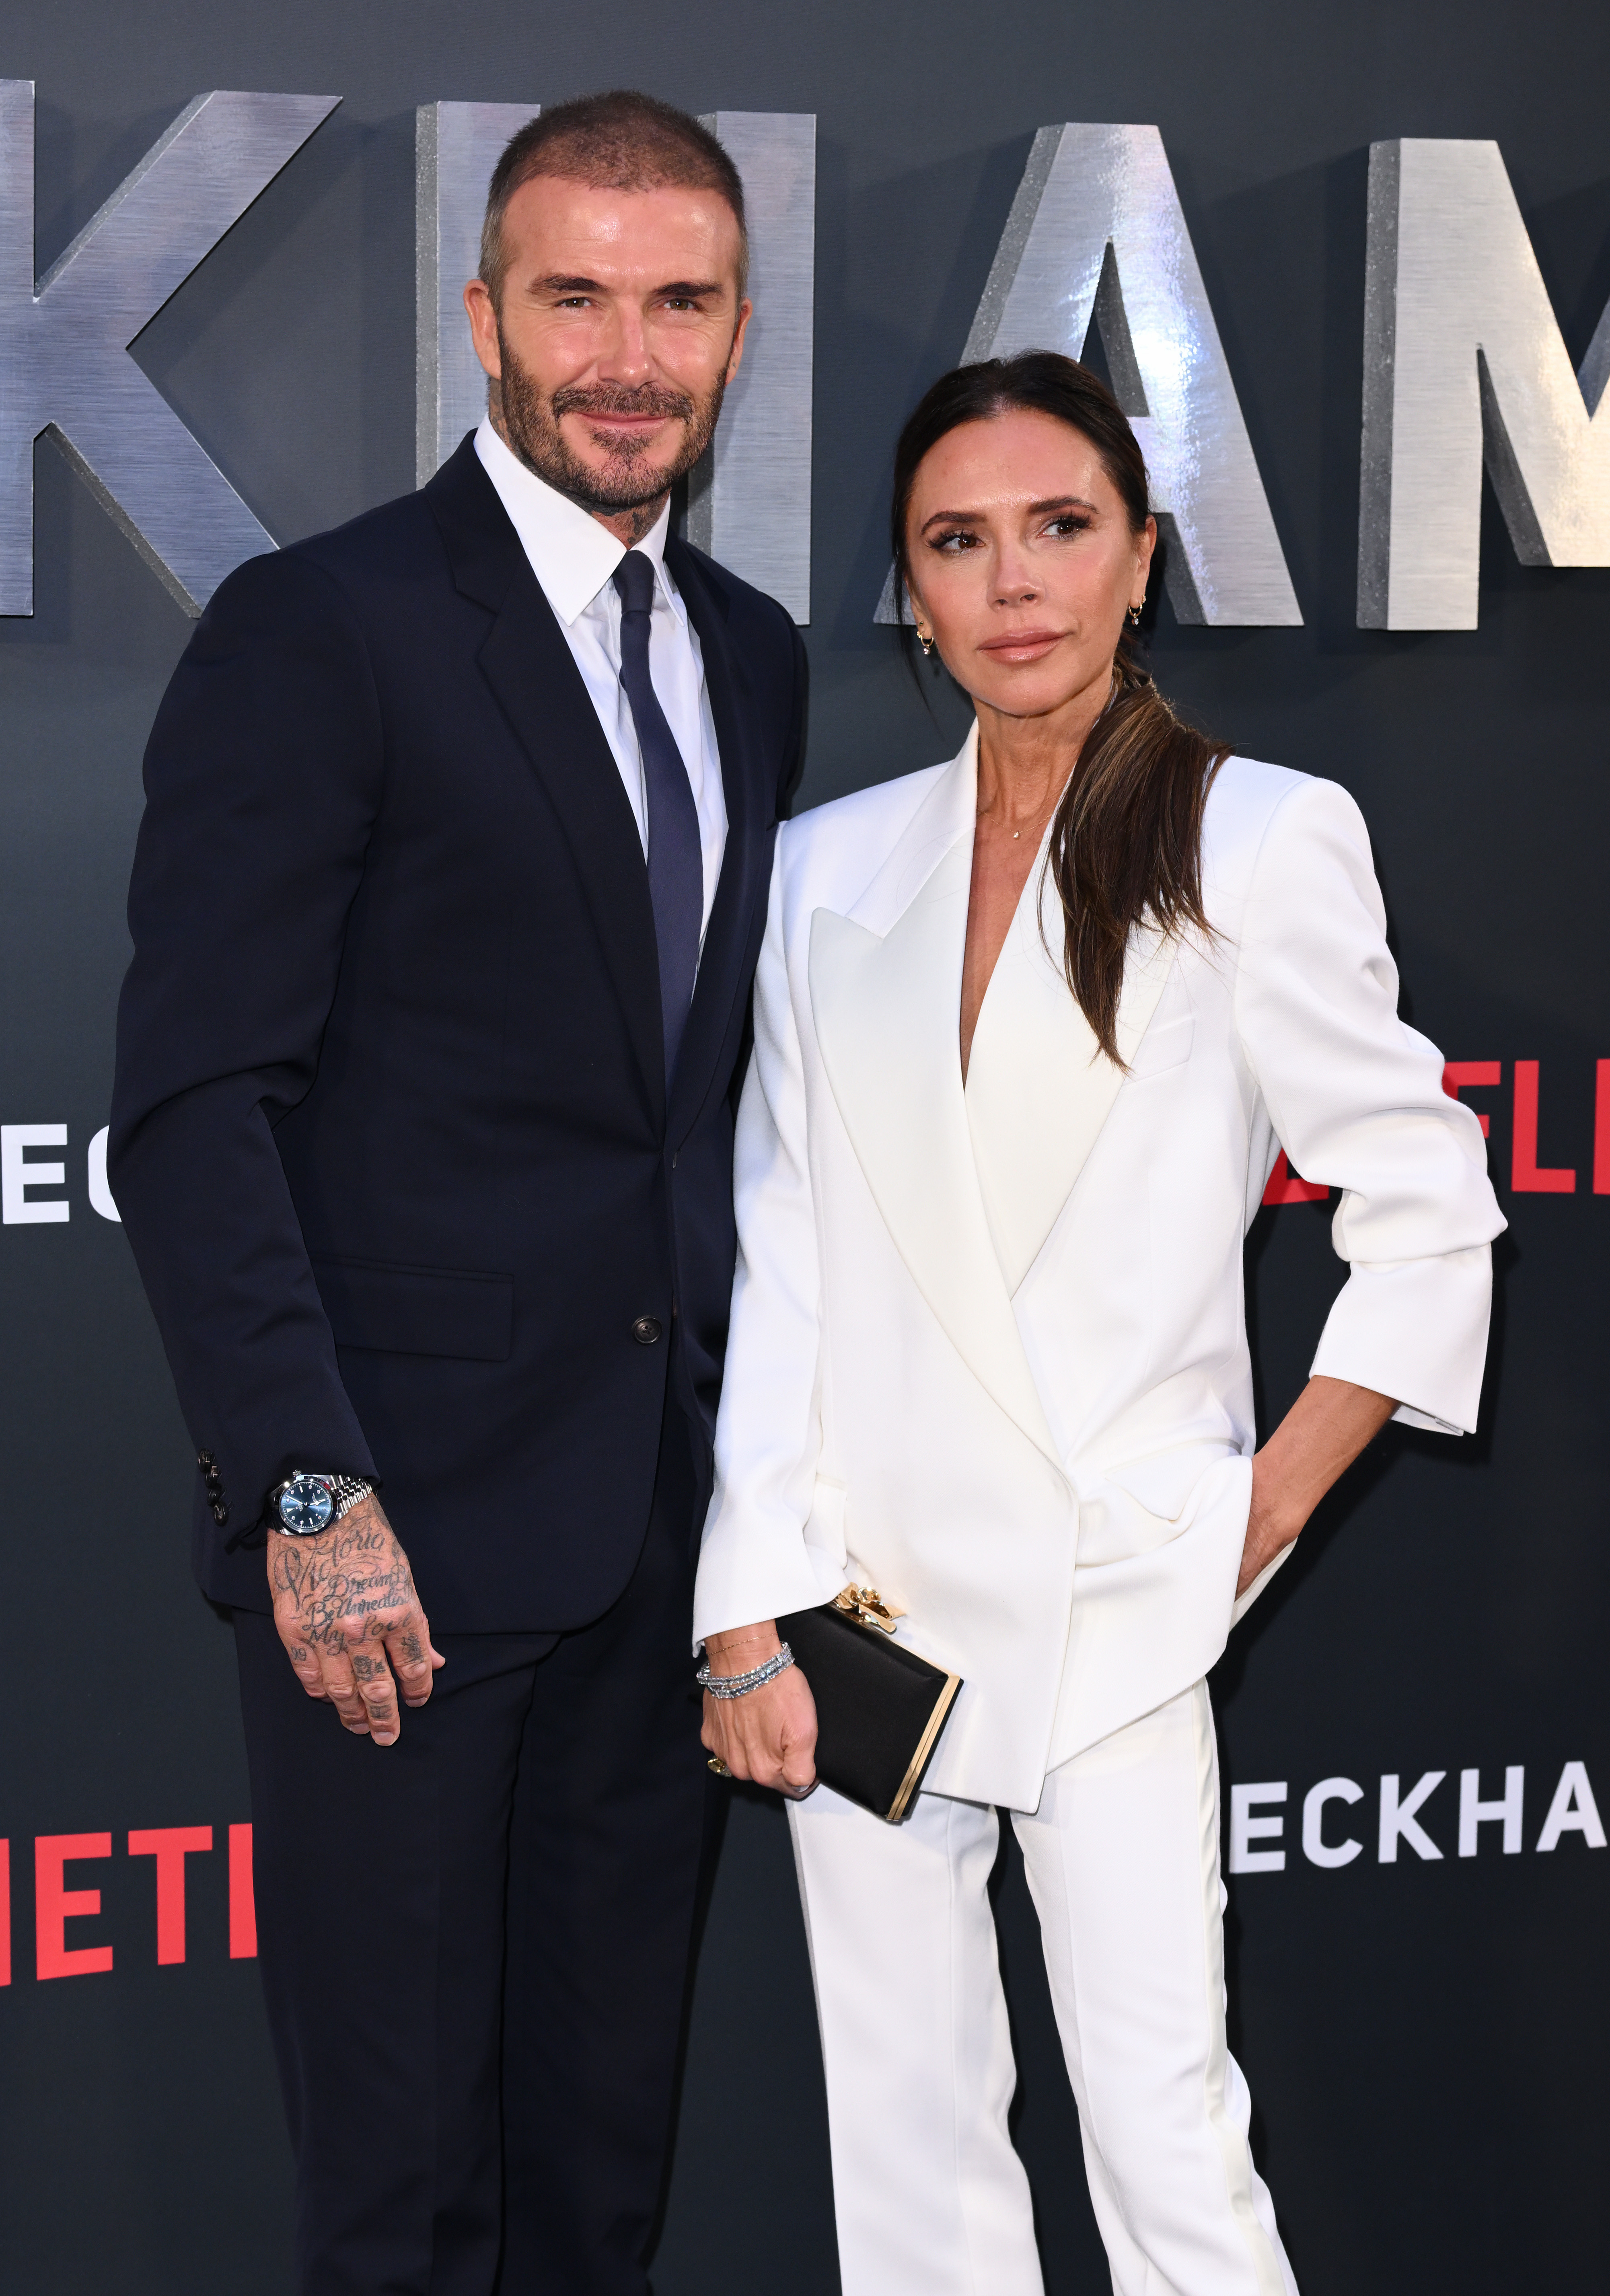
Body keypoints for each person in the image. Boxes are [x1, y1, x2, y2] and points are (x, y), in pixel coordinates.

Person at [694, 351, 1504, 2296]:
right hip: (859, 1614)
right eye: (955, 544)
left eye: (1058, 528)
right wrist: (744, 1608)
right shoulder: (823, 872)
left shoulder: (1256, 836)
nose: (1012, 583)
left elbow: (1427, 1204)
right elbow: (785, 1253)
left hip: (1117, 1597)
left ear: (1139, 555)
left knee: (1164, 2147)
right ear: (911, 589)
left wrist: (1262, 1504)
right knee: (903, 2161)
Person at [109, 90, 804, 2296]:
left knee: (603, 2174)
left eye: (678, 302)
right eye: (576, 296)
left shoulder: (760, 655)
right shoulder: (326, 631)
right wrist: (313, 1494)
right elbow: (198, 1102)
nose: (627, 355)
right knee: (403, 2200)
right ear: (483, 311)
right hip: (397, 1560)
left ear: (738, 327)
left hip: (657, 1549)